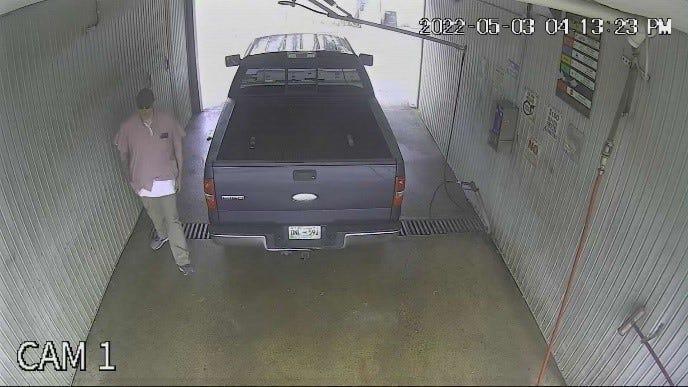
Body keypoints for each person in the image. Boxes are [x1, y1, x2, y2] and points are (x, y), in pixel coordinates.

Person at [114, 88, 194, 276]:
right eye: (141, 109)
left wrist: (180, 175)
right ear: (137, 108)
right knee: (155, 217)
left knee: (173, 220)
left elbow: (178, 148)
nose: (145, 112)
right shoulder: (127, 127)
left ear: (153, 104)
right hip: (143, 184)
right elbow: (122, 154)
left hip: (166, 180)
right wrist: (129, 179)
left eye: (148, 108)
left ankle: (183, 261)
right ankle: (161, 234)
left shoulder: (167, 121)